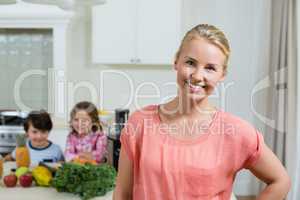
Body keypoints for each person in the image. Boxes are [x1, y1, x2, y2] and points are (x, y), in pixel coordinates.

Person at [113, 24, 291, 199]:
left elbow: (280, 180)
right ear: (176, 61)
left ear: (222, 74)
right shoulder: (139, 123)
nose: (198, 76)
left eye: (210, 68)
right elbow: (122, 193)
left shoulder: (236, 132)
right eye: (190, 62)